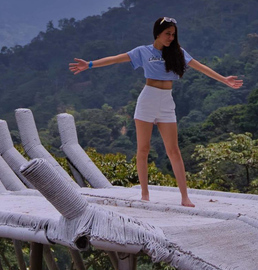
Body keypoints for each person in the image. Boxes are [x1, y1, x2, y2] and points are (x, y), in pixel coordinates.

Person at [69, 17, 243, 207]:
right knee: (143, 149)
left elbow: (201, 68)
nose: (170, 37)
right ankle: (145, 193)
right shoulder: (143, 51)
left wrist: (224, 80)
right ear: (157, 33)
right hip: (147, 100)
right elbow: (115, 59)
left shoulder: (178, 53)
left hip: (166, 102)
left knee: (173, 150)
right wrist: (90, 64)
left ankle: (185, 197)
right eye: (167, 34)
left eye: (173, 34)